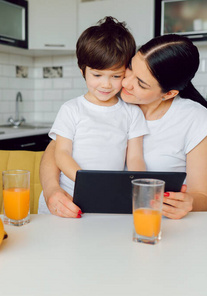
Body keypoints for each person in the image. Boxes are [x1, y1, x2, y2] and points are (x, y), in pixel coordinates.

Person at [39, 33, 207, 220]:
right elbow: (56, 151)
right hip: (111, 221)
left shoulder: (195, 119)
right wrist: (51, 189)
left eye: (141, 83)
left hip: (170, 223)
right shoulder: (107, 98)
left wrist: (187, 203)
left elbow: (203, 198)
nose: (125, 82)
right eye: (130, 68)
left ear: (168, 94)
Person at [37, 17, 149, 215]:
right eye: (97, 75)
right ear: (83, 71)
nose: (106, 85)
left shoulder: (132, 112)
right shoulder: (71, 109)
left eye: (116, 76)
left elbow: (135, 157)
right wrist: (88, 181)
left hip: (108, 198)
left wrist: (140, 184)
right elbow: (61, 153)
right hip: (67, 197)